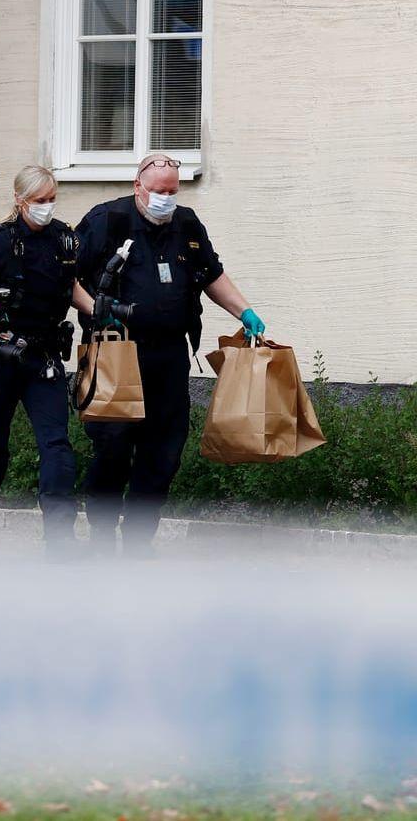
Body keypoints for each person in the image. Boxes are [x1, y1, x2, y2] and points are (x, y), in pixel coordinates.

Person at [74, 152, 265, 558]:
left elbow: (210, 274)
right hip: (114, 351)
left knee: (164, 449)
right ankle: (102, 538)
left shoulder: (187, 224)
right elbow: (67, 275)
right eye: (158, 191)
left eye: (172, 191)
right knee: (113, 446)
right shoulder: (107, 220)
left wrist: (244, 310)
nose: (165, 198)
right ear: (137, 186)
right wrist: (97, 308)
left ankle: (140, 542)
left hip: (168, 355)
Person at [0, 166, 96, 562]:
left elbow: (70, 288)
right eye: (39, 201)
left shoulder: (66, 239)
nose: (47, 207)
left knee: (56, 446)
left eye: (52, 199)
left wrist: (97, 310)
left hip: (42, 358)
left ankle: (60, 541)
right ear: (20, 201)